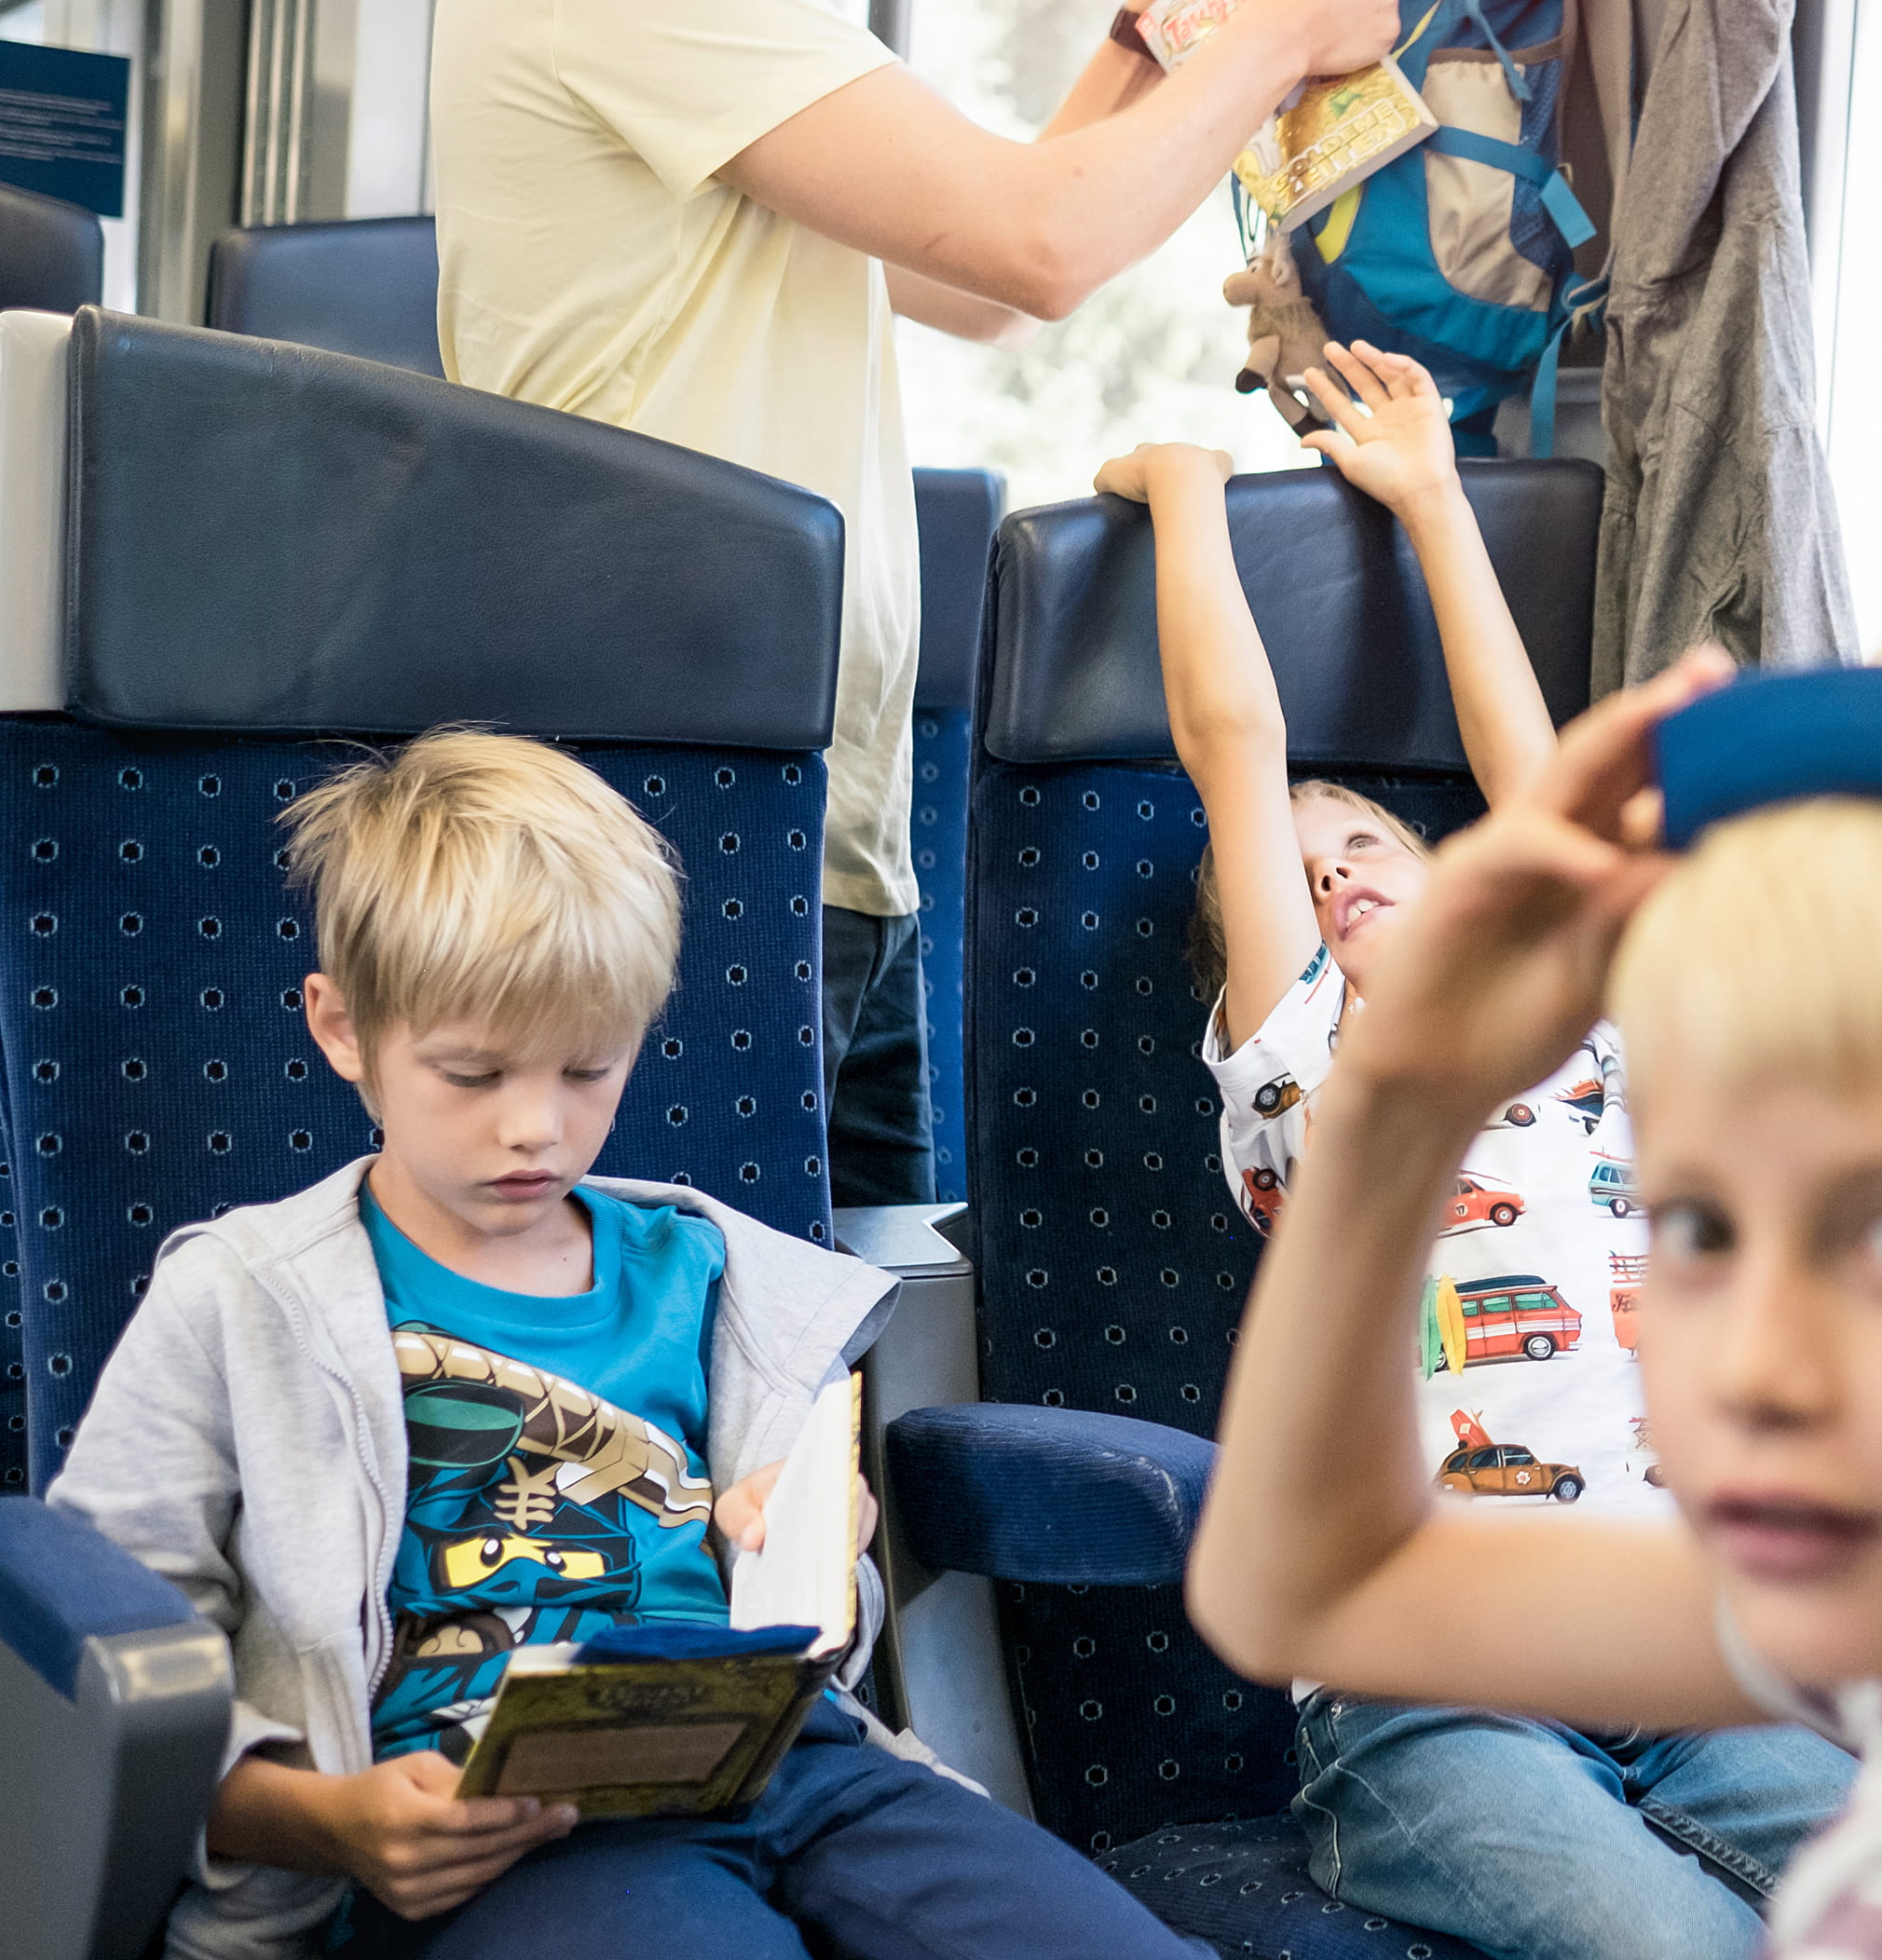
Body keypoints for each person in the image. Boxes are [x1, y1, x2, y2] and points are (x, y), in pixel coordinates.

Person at [431, 0, 1398, 1208]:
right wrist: (1284, 33)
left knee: (846, 1361)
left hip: (814, 838)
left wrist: (1172, 0)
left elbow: (978, 282)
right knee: (706, 1365)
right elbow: (1041, 246)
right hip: (668, 838)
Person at [1186, 526, 1882, 1960]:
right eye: (1702, 1228)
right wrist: (1409, 1089)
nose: (1749, 1366)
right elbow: (1302, 1593)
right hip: (1482, 1660)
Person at [48, 732, 1196, 1960]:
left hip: (784, 1758)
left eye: (588, 1070)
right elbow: (110, 1661)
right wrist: (324, 1822)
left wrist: (807, 1544)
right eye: (472, 1073)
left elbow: (822, 1628)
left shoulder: (715, 1280)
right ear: (343, 1028)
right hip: (494, 1822)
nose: (535, 1127)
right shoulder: (243, 1298)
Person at [1093, 346, 1853, 1960]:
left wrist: (1436, 498)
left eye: (1369, 840)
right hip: (1435, 1680)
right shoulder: (1313, 1073)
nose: (1338, 874)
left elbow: (1547, 790)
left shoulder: (1612, 1030)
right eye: (1304, 877)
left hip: (1686, 1637)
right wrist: (1185, 491)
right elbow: (1238, 749)